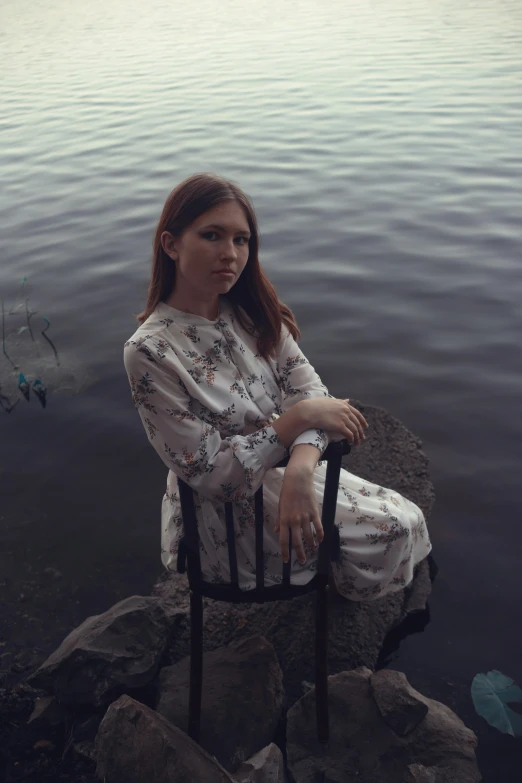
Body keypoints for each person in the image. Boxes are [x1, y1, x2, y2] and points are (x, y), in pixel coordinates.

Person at [123, 173, 431, 599]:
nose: (230, 254)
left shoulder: (251, 314)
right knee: (391, 530)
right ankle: (333, 583)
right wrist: (300, 420)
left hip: (285, 468)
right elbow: (214, 475)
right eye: (212, 235)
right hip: (225, 519)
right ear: (171, 244)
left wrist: (302, 471)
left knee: (408, 517)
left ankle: (333, 565)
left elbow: (312, 394)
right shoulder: (150, 352)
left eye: (241, 240)